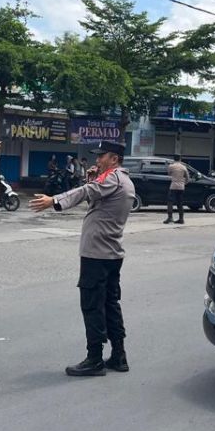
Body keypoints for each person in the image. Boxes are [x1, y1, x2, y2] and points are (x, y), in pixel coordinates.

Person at [30, 141, 134, 377]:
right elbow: (97, 199)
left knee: (92, 305)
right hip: (110, 253)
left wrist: (54, 200)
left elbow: (87, 192)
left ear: (114, 159)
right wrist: (94, 179)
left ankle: (94, 358)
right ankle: (119, 355)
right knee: (110, 304)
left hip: (97, 253)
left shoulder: (114, 178)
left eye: (102, 156)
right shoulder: (122, 180)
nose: (97, 160)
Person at [163, 154, 188, 225]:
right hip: (181, 187)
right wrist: (184, 183)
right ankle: (181, 219)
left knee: (170, 202)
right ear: (180, 159)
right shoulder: (184, 167)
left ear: (174, 159)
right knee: (180, 203)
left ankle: (170, 218)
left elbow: (169, 174)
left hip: (173, 186)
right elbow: (187, 178)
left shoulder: (171, 166)